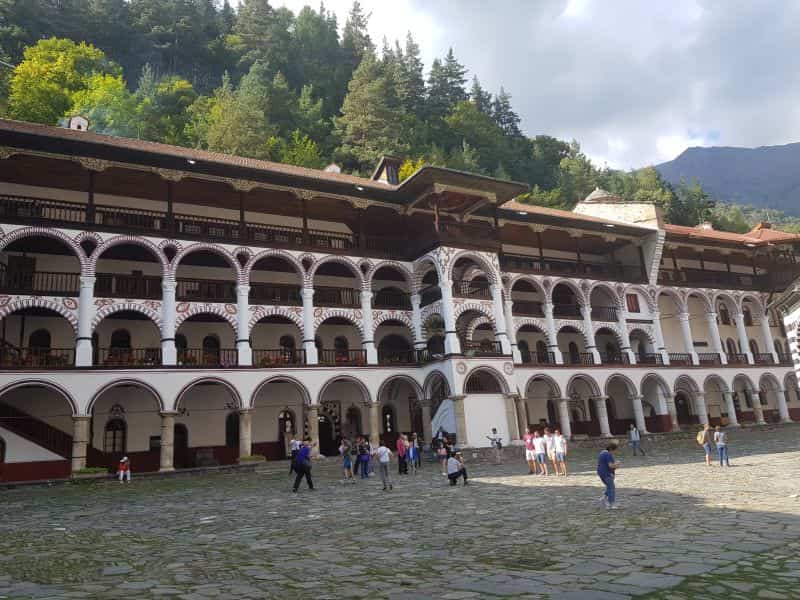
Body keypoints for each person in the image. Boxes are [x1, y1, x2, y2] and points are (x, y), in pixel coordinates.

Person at [597, 442, 619, 509]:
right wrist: (617, 464)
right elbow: (610, 465)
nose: (615, 452)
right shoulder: (608, 454)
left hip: (601, 472)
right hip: (607, 473)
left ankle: (604, 498)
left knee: (609, 486)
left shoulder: (602, 453)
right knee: (612, 488)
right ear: (611, 449)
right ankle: (611, 504)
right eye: (614, 450)